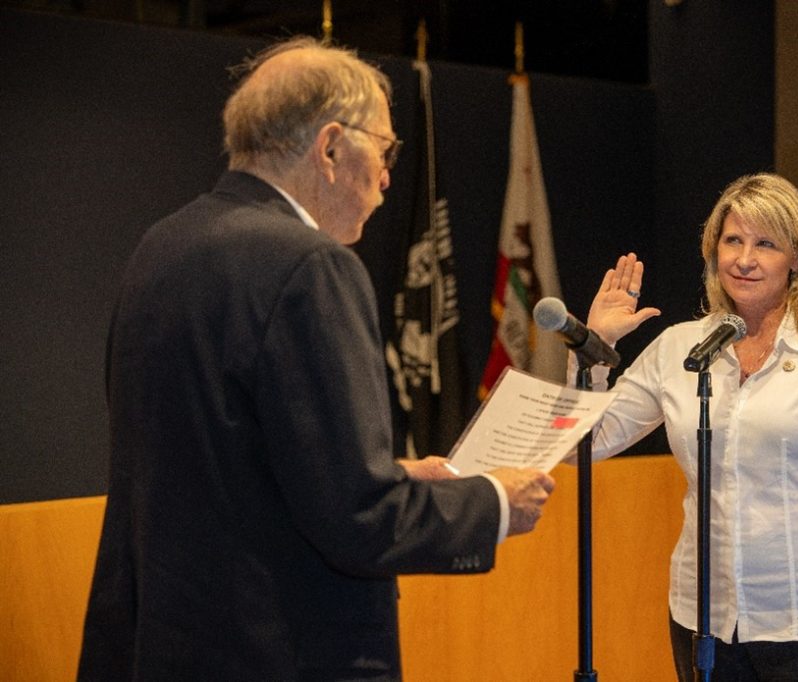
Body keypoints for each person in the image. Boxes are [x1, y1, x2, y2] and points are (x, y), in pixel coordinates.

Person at [77, 36, 555, 681]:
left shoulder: (164, 245)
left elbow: (221, 464)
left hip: (161, 644)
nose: (388, 175)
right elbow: (361, 522)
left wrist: (390, 475)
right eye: (384, 149)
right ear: (331, 147)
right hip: (282, 651)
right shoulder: (310, 266)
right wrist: (494, 502)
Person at [576, 173, 798, 682]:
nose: (745, 259)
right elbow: (584, 446)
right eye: (733, 241)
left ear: (796, 258)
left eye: (765, 244)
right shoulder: (680, 348)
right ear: (713, 250)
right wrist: (594, 352)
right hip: (701, 619)